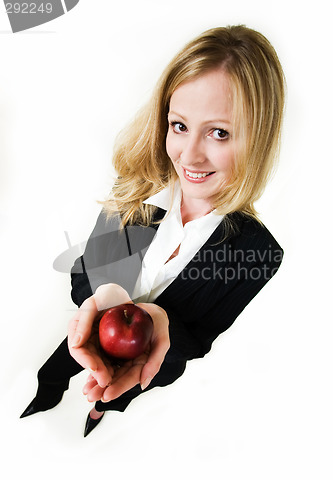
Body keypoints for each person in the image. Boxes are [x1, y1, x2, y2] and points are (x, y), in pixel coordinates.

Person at [20, 25, 285, 437]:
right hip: (88, 334)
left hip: (148, 369)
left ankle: (97, 416)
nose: (190, 155)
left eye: (219, 132)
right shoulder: (136, 193)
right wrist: (105, 296)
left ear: (259, 137)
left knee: (111, 396)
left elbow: (198, 340)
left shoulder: (258, 252)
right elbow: (81, 275)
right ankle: (47, 393)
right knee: (56, 369)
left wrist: (158, 321)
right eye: (179, 126)